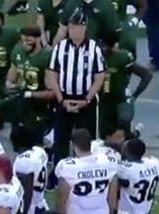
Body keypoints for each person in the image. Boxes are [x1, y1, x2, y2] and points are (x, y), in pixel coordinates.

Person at [46, 10, 106, 161]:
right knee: (61, 138)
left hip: (85, 99)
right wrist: (61, 99)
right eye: (71, 27)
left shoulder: (94, 48)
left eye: (77, 27)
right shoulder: (60, 48)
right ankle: (59, 173)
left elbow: (99, 77)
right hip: (64, 97)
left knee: (86, 139)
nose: (74, 31)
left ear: (84, 28)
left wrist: (86, 99)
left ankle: (86, 169)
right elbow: (52, 75)